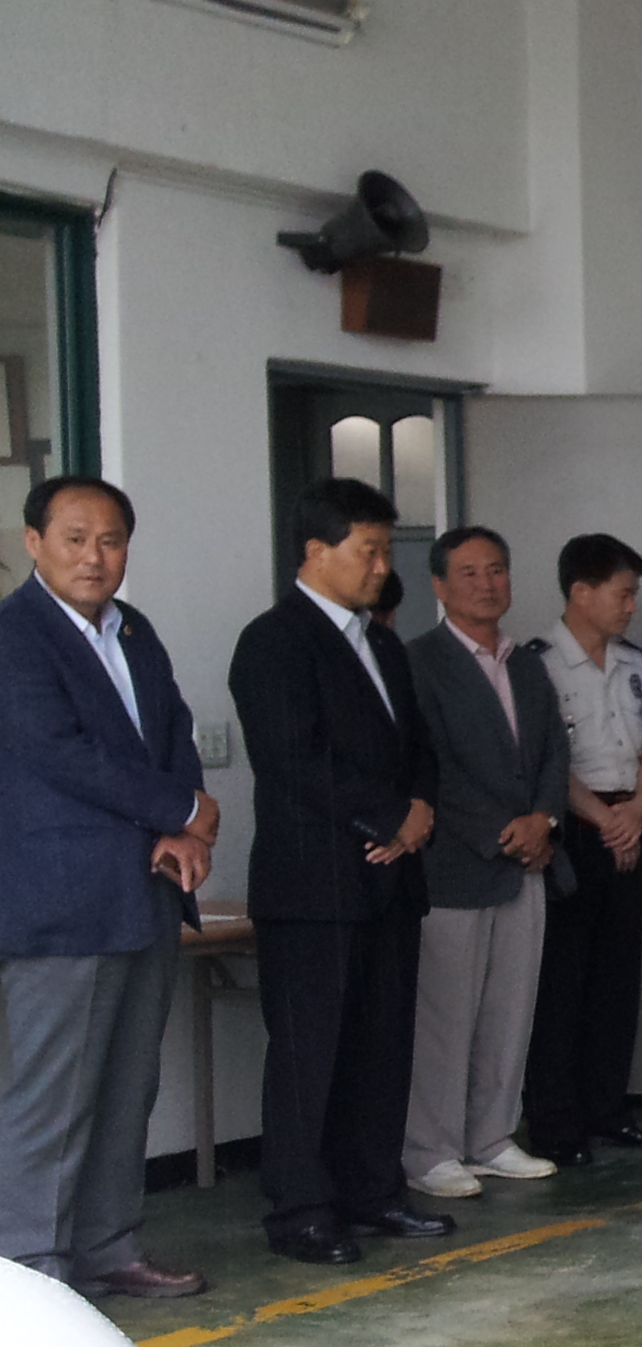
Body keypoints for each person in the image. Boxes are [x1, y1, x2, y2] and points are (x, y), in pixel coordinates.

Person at [0, 476, 216, 1297]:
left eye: (111, 540)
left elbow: (173, 731)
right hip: (63, 904)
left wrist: (183, 824)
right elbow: (60, 752)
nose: (95, 557)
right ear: (34, 543)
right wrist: (181, 808)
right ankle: (32, 1275)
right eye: (75, 538)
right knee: (52, 1099)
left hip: (147, 890)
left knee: (129, 1088)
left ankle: (108, 1248)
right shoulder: (15, 636)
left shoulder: (135, 630)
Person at [229, 478, 452, 1266]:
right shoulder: (274, 641)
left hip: (390, 883)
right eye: (370, 550)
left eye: (387, 550)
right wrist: (384, 818)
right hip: (314, 887)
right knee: (309, 1056)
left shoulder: (382, 643)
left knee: (381, 1049)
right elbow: (291, 758)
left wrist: (418, 808)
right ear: (316, 551)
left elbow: (418, 747)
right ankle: (301, 1211)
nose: (383, 566)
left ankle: (372, 1192)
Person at [401, 527, 568, 1199]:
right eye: (468, 573)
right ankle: (430, 1151)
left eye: (496, 570)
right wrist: (502, 833)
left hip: (527, 864)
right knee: (445, 1019)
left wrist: (544, 819)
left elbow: (555, 751)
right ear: (439, 586)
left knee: (509, 1011)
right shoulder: (420, 661)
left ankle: (492, 1138)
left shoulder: (525, 663)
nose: (486, 584)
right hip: (453, 868)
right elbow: (429, 766)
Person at [524, 533, 642, 1166]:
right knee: (564, 980)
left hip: (631, 820)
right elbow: (544, 761)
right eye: (622, 594)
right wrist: (607, 820)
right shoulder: (538, 664)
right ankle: (557, 1123)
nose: (631, 607)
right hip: (575, 830)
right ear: (581, 592)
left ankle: (609, 1109)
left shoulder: (636, 662)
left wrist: (638, 811)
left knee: (618, 976)